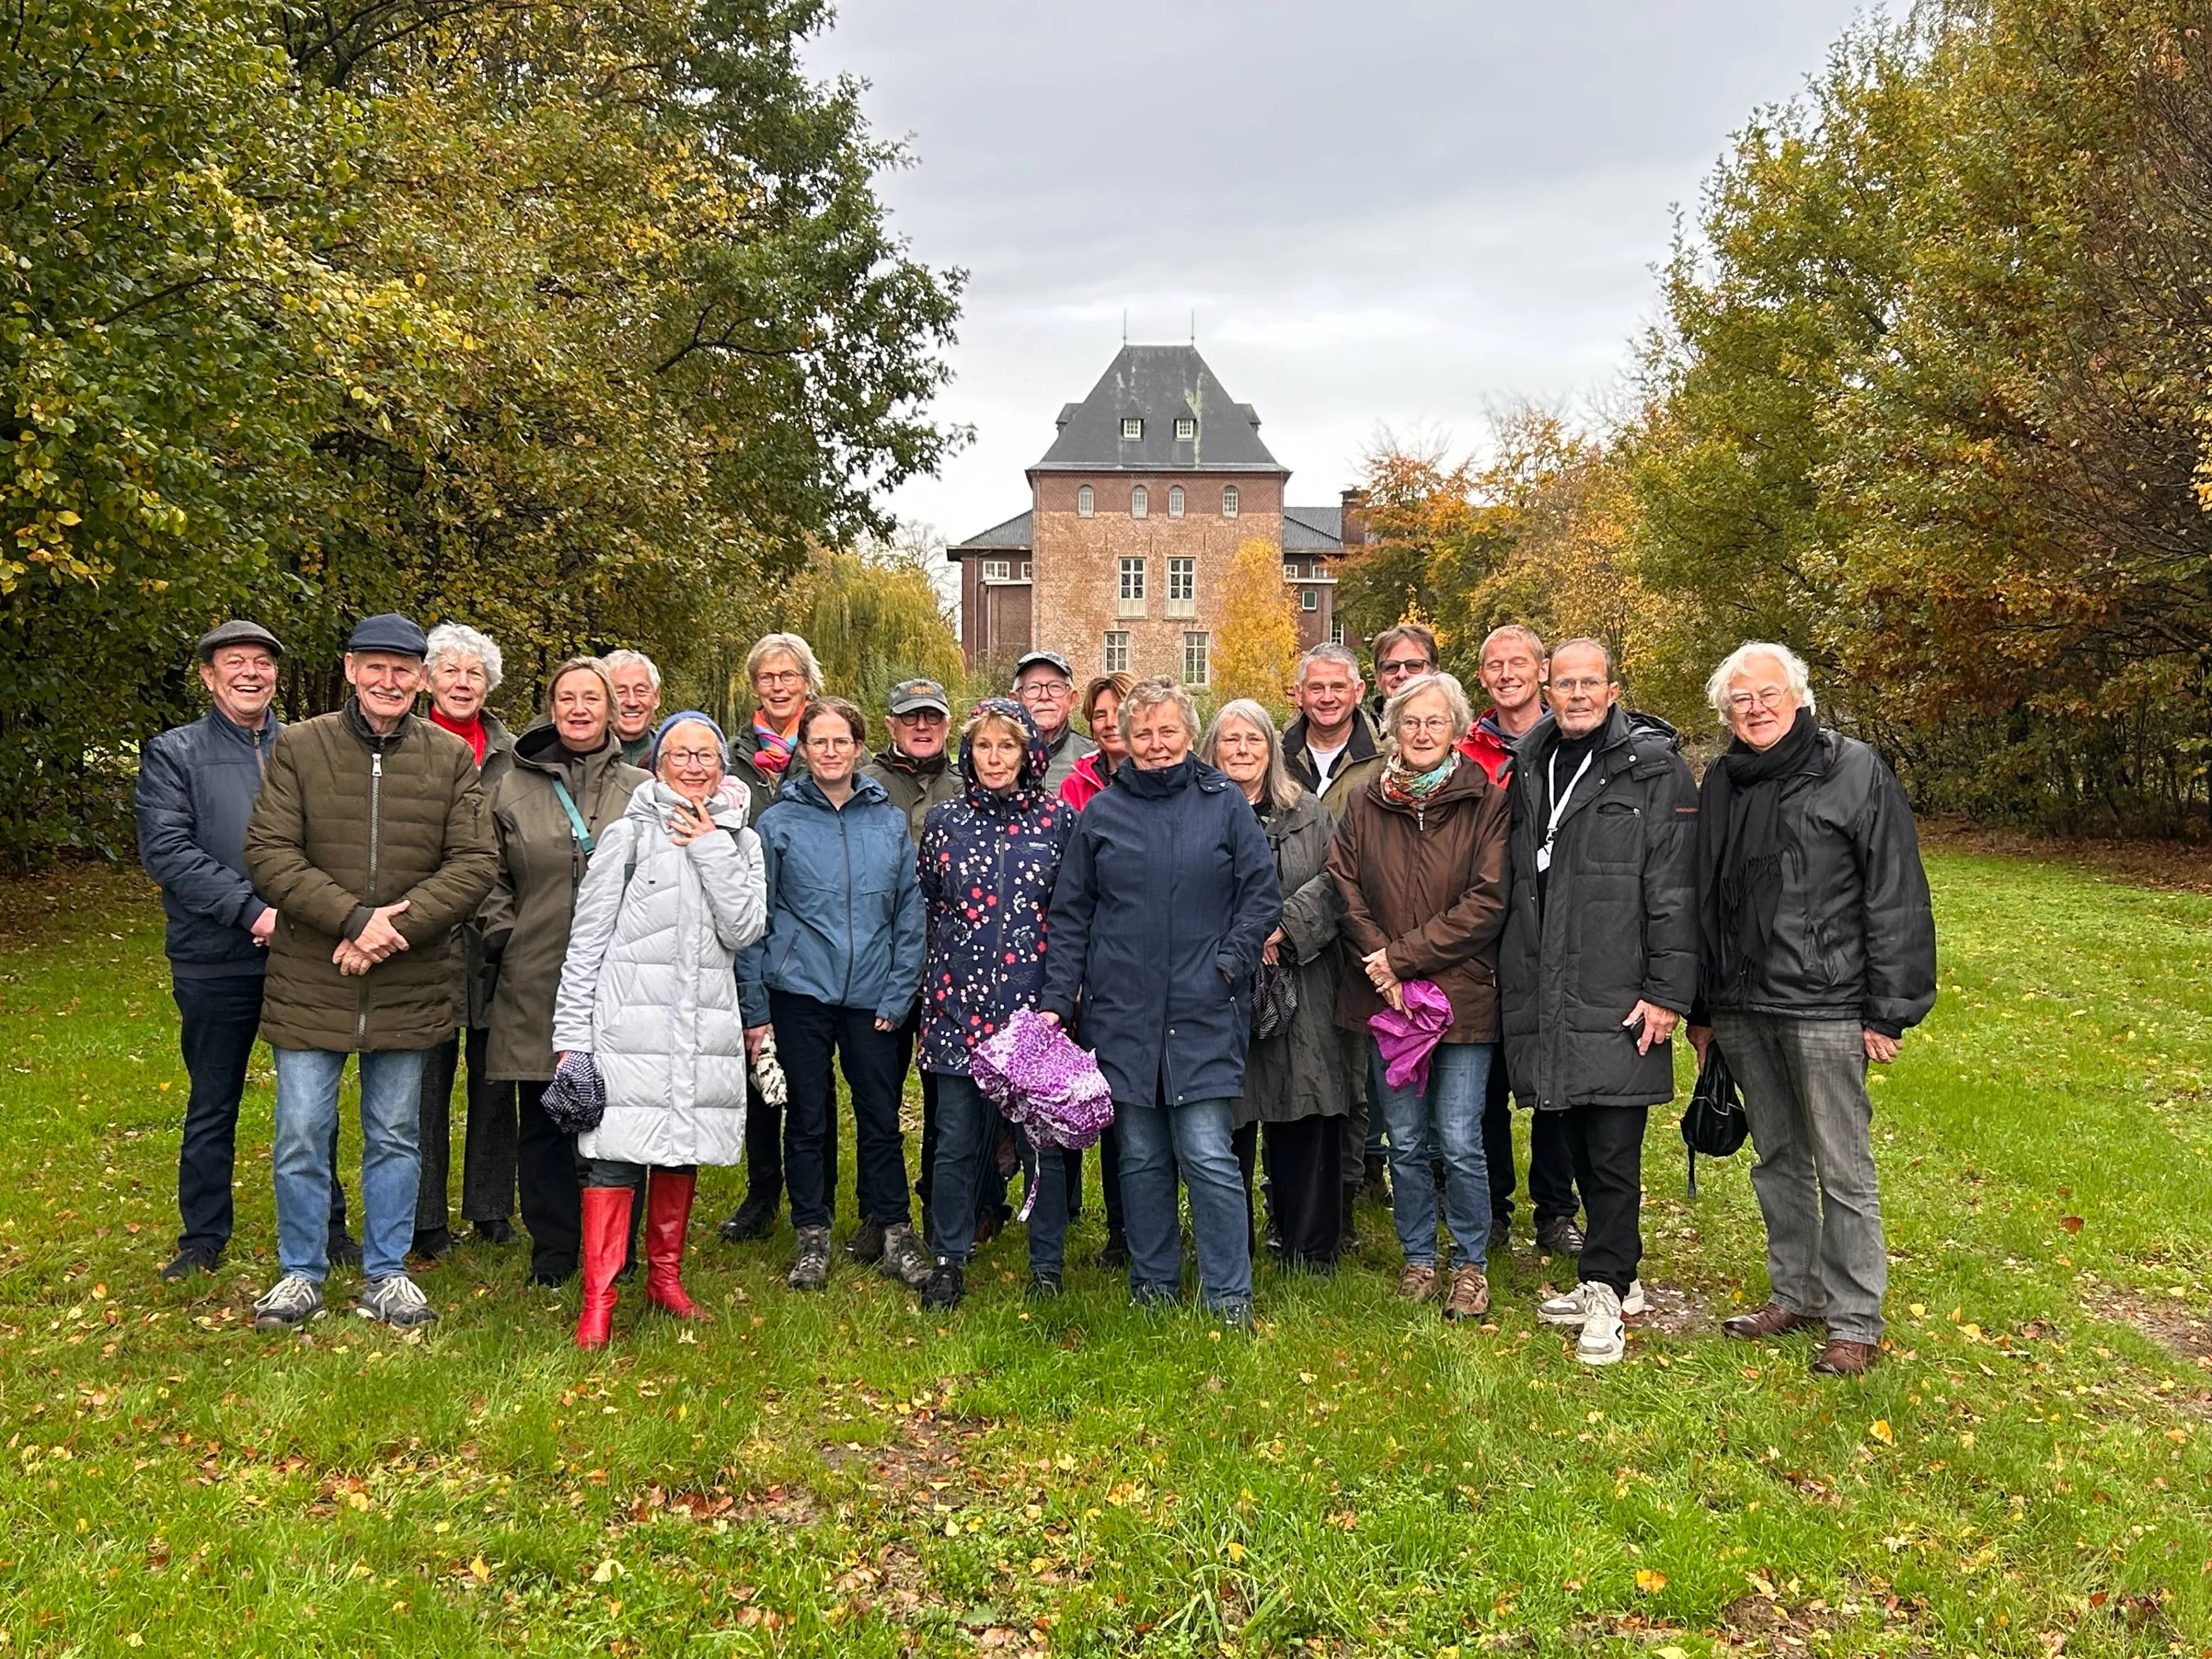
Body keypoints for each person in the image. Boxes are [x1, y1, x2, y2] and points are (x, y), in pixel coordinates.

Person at [241, 614, 498, 1332]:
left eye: (403, 669)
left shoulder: (449, 758)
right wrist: (356, 920)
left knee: (394, 1133)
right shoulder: (299, 746)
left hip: (407, 981)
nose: (389, 681)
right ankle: (301, 1271)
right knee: (300, 1129)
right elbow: (268, 851)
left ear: (421, 678)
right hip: (311, 975)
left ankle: (386, 1273)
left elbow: (474, 864)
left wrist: (392, 930)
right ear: (351, 669)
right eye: (375, 667)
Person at [1688, 642, 1937, 1378]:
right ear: (1725, 712)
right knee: (1777, 1159)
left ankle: (1855, 1319)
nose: (1755, 707)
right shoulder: (1722, 781)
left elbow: (1893, 890)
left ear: (1797, 696)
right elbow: (1702, 895)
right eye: (1740, 699)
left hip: (1827, 1001)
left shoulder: (1851, 769)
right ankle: (1793, 1292)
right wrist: (1700, 1006)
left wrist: (1887, 1008)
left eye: (1767, 693)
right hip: (1740, 1000)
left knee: (1843, 1167)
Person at [1042, 677, 1279, 1324]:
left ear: (1187, 733)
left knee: (1206, 1154)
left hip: (1205, 1010)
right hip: (1123, 1016)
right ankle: (1153, 1285)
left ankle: (1229, 1294)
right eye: (1141, 732)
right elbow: (1070, 915)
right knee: (1140, 1156)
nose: (1155, 744)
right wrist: (1057, 1002)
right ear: (1124, 737)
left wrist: (1229, 965)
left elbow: (1260, 893)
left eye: (1167, 730)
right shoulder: (1102, 815)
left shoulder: (1224, 803)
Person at [135, 621, 357, 1281]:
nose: (250, 673)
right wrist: (252, 911)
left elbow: (334, 840)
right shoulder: (174, 753)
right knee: (213, 1098)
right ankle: (202, 1235)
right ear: (208, 675)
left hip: (303, 954)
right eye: (235, 662)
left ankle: (328, 1225)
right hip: (215, 954)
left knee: (312, 1100)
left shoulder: (306, 747)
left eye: (262, 663)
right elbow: (168, 851)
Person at [1498, 640, 1697, 1365]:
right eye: (1564, 683)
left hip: (1618, 985)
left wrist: (1666, 992)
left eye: (1590, 682)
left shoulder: (1652, 768)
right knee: (1575, 1135)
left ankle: (1608, 1292)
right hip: (1548, 983)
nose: (1576, 694)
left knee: (1613, 1148)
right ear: (1546, 689)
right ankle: (1608, 1277)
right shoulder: (1530, 760)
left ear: (1612, 689)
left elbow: (1675, 889)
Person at [553, 712, 767, 1347]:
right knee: (615, 1154)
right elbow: (585, 940)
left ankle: (665, 1280)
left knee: (679, 1144)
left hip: (701, 1024)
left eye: (707, 755)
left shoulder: (741, 842)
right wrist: (573, 1034)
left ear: (722, 767)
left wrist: (707, 844)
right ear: (657, 762)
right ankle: (599, 1297)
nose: (695, 765)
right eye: (681, 753)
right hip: (628, 1026)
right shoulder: (627, 837)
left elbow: (745, 928)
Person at [1329, 669, 1509, 1321]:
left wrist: (1402, 959)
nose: (1423, 732)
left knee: (1458, 1138)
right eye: (1410, 721)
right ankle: (1417, 1257)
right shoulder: (1364, 802)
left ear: (1456, 729)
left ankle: (1469, 1264)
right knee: (1403, 1138)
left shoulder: (1484, 801)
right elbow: (1343, 885)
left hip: (1460, 998)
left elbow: (1486, 901)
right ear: (1391, 730)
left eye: (1435, 721)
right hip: (1388, 1004)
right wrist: (1385, 970)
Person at [742, 696, 929, 1292]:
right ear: (804, 749)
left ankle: (895, 1230)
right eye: (818, 741)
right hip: (799, 991)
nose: (829, 751)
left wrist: (899, 996)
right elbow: (757, 917)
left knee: (880, 1116)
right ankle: (812, 1235)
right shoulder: (778, 821)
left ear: (857, 748)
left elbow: (909, 912)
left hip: (873, 995)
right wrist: (757, 1004)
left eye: (840, 741)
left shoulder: (885, 819)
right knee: (807, 1117)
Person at [479, 656, 649, 1285]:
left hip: (623, 981)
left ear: (611, 710)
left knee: (620, 1124)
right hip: (536, 973)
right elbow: (485, 870)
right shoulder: (511, 786)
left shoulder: (641, 788)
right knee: (544, 1124)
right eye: (567, 698)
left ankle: (617, 1253)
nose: (579, 709)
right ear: (551, 709)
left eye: (591, 698)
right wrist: (506, 933)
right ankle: (552, 1254)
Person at [914, 700, 1078, 1308]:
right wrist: (934, 993)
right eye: (984, 747)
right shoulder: (945, 822)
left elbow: (1069, 915)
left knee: (1042, 1143)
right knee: (955, 1140)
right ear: (969, 754)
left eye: (1006, 747)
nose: (994, 759)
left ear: (1027, 752)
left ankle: (1047, 1264)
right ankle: (948, 1259)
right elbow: (931, 906)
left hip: (1034, 1012)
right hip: (958, 1007)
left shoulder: (1057, 821)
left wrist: (1059, 1000)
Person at [1202, 700, 1356, 1270]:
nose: (1241, 752)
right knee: (1228, 1117)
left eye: (1254, 741)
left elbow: (1337, 879)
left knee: (1306, 1110)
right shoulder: (1198, 811)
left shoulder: (1310, 813)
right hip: (1224, 982)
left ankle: (1310, 1245)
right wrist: (1244, 934)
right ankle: (1229, 1247)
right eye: (1229, 741)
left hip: (1305, 980)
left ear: (1272, 751)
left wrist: (1282, 925)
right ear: (1211, 749)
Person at [1463, 624, 1583, 1257]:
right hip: (1482, 945)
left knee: (1553, 1086)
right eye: (1493, 665)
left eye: (1518, 662)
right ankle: (1491, 1208)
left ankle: (1556, 1210)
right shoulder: (1465, 750)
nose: (1506, 673)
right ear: (1482, 678)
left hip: (1552, 942)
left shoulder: (1570, 743)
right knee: (1483, 1088)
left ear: (1540, 671)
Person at [857, 677, 984, 1246]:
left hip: (949, 970)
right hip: (878, 967)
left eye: (932, 717)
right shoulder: (866, 786)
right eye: (911, 719)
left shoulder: (966, 786)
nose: (923, 727)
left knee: (946, 1100)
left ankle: (943, 1206)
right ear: (891, 726)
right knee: (877, 1097)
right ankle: (878, 1212)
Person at [412, 622, 519, 1260]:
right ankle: (425, 1217)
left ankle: (489, 1206)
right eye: (448, 671)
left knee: (495, 1076)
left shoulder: (512, 752)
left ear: (488, 684)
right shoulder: (407, 744)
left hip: (498, 936)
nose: (460, 682)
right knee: (421, 1079)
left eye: (473, 673)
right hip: (424, 934)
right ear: (427, 680)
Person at [716, 632, 821, 1243]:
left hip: (810, 933)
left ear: (808, 683)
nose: (778, 687)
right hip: (746, 929)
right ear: (754, 686)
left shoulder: (829, 745)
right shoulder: (733, 759)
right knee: (757, 1066)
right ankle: (763, 1191)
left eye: (789, 676)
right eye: (767, 678)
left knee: (806, 1075)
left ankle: (816, 1189)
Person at [1283, 645, 1384, 813]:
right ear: (1299, 694)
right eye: (1316, 688)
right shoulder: (1275, 755)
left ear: (1358, 692)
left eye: (1338, 687)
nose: (1328, 698)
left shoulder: (1387, 756)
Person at [1012, 649, 1097, 795]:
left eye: (1055, 687)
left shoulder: (1096, 759)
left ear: (1072, 699)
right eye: (1033, 688)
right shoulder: (996, 758)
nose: (1045, 696)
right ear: (1015, 700)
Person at [1058, 673, 1132, 811]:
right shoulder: (1075, 787)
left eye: (1120, 713)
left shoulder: (1162, 777)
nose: (1110, 723)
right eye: (1100, 715)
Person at [605, 650, 664, 768]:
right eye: (620, 692)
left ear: (656, 697)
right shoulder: (583, 758)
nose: (632, 702)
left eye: (641, 691)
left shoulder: (673, 757)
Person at [1368, 621, 1441, 715]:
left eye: (1414, 665)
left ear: (1435, 673)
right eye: (1392, 667)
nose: (1402, 675)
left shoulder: (1460, 727)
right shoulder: (1359, 728)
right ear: (1378, 679)